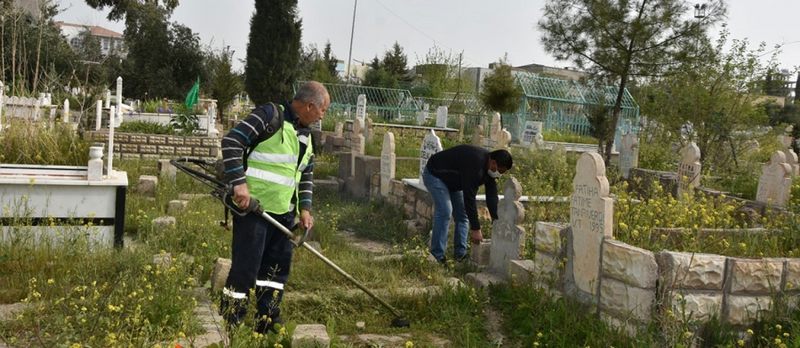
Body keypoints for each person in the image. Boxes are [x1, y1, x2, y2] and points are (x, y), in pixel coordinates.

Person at [219, 81, 330, 333]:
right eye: (323, 109)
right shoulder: (269, 115)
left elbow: (306, 174)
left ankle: (267, 320)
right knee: (245, 270)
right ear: (310, 105)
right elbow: (232, 142)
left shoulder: (306, 135)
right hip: (254, 211)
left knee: (275, 272)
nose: (323, 115)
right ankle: (231, 321)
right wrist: (239, 184)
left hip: (284, 215)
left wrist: (305, 209)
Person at [422, 145, 513, 263]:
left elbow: (491, 196)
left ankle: (460, 255)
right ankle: (437, 256)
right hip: (435, 174)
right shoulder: (475, 163)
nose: (499, 174)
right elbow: (469, 198)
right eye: (500, 171)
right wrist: (475, 229)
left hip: (453, 181)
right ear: (493, 162)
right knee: (445, 211)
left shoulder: (490, 170)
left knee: (462, 215)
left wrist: (496, 220)